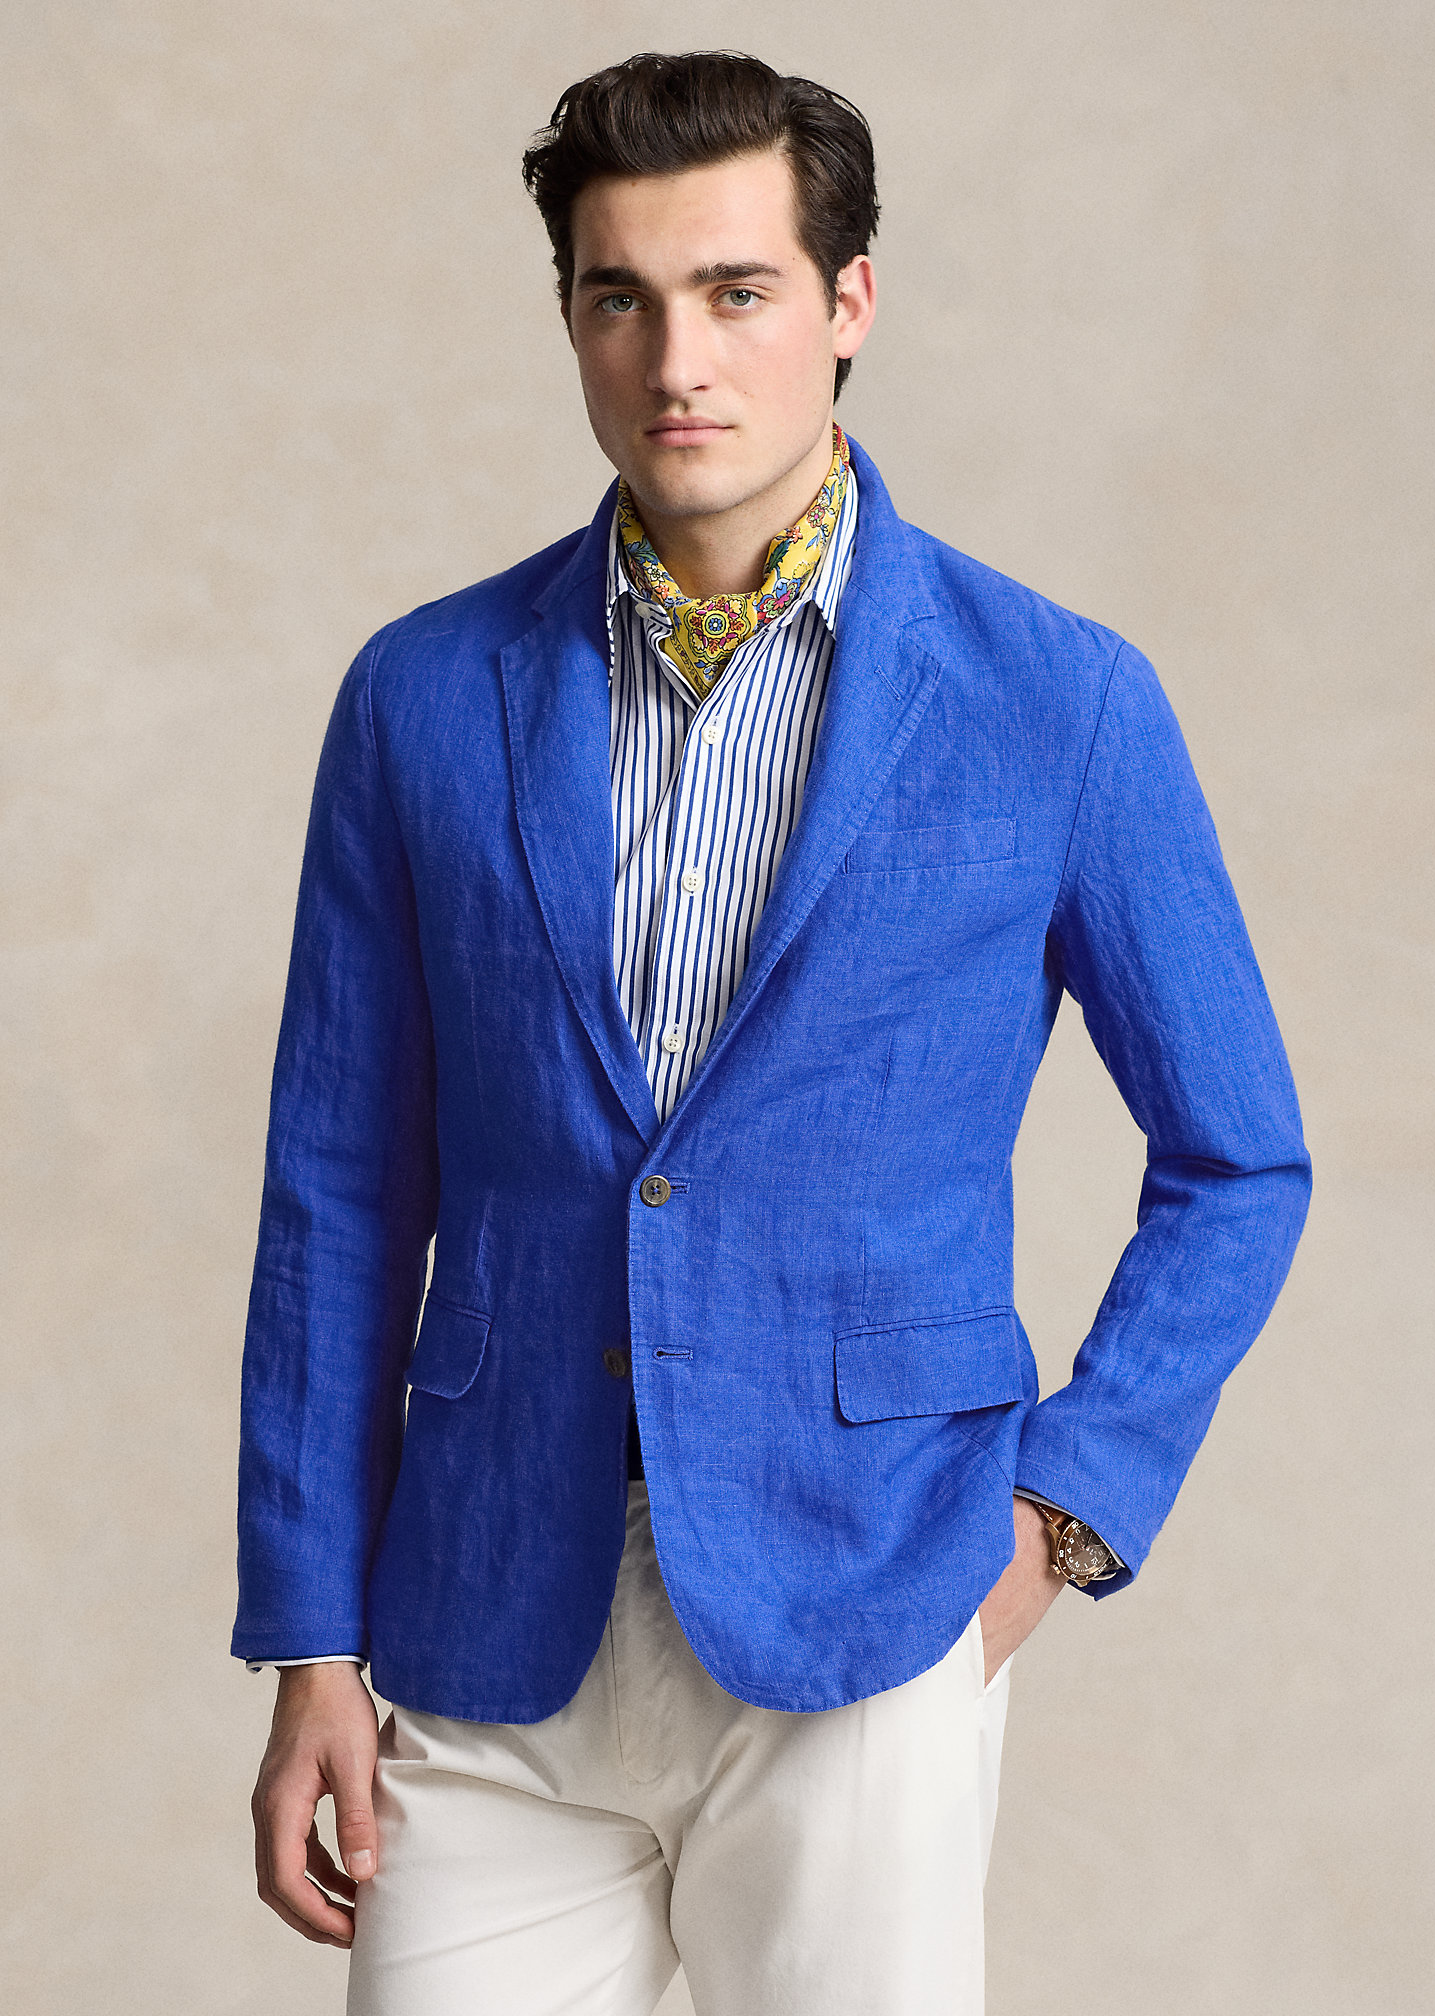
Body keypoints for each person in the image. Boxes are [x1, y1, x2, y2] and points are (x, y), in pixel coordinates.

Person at [234, 50, 1311, 2016]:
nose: (678, 361)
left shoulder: (1058, 702)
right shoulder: (423, 697)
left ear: (848, 301)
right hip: (491, 1604)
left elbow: (1241, 1158)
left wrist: (1059, 1520)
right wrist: (309, 1635)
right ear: (571, 315)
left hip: (868, 1600)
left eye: (737, 291)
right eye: (619, 297)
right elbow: (339, 1189)